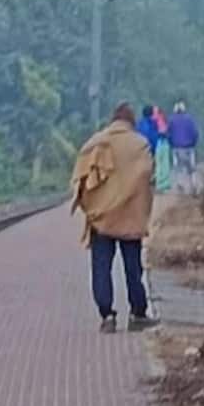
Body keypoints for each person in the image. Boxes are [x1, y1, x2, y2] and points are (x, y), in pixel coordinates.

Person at [70, 103, 159, 333]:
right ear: (131, 121)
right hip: (130, 218)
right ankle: (137, 314)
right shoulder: (140, 145)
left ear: (113, 120)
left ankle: (107, 316)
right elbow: (148, 179)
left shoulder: (96, 143)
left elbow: (81, 182)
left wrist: (92, 208)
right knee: (133, 268)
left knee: (101, 268)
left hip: (102, 219)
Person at [167, 101, 201, 193]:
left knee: (177, 167)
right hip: (189, 147)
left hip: (176, 147)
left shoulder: (171, 120)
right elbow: (195, 133)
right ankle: (193, 184)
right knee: (191, 168)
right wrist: (193, 143)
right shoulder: (189, 119)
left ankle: (179, 184)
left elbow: (168, 134)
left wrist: (171, 143)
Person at [150, 104, 173, 193]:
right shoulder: (163, 119)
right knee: (164, 164)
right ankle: (164, 184)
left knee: (160, 164)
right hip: (164, 142)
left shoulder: (154, 120)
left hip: (159, 142)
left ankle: (160, 184)